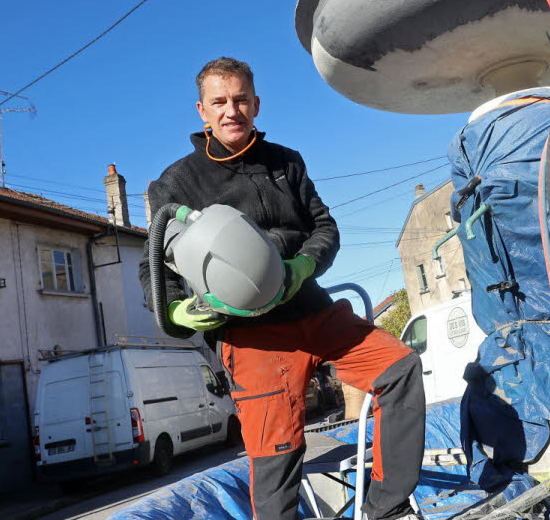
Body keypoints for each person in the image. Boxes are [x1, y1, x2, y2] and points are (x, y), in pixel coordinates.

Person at [140, 57, 424, 520]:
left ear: (255, 103)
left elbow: (324, 226)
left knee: (399, 368)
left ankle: (386, 510)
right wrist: (175, 313)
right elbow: (155, 265)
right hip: (251, 334)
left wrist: (304, 264)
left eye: (240, 100)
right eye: (219, 102)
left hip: (311, 306)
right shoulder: (176, 183)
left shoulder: (286, 162)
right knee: (277, 453)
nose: (232, 110)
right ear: (202, 111)